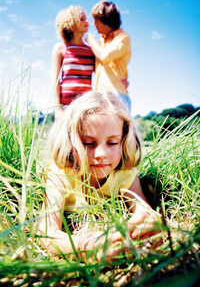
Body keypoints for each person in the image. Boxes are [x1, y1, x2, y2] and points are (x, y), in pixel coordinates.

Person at [38, 92, 162, 262]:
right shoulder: (60, 173)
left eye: (112, 143)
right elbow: (46, 232)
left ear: (124, 141)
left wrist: (142, 226)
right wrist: (84, 247)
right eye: (88, 143)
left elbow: (144, 210)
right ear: (70, 141)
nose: (101, 154)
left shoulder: (124, 174)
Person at [85, 0, 132, 112]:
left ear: (106, 20)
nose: (94, 24)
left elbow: (104, 56)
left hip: (116, 96)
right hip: (100, 96)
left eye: (96, 19)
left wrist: (91, 41)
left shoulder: (122, 38)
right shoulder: (101, 41)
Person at [52, 5, 95, 120]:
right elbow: (55, 80)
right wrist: (57, 108)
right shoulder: (61, 48)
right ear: (71, 22)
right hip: (66, 106)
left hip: (87, 105)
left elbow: (103, 73)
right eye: (82, 19)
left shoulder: (91, 50)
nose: (87, 22)